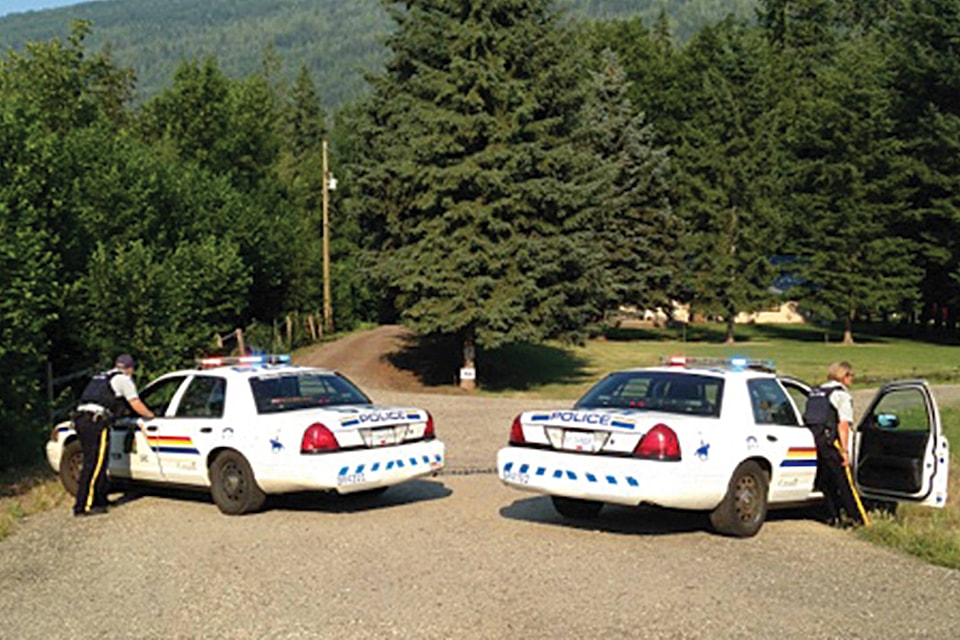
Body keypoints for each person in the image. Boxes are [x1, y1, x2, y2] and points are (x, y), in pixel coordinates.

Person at [73, 354, 155, 517]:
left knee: (100, 463)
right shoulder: (124, 380)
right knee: (94, 464)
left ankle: (100, 500)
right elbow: (135, 403)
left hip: (81, 419)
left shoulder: (101, 377)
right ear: (130, 368)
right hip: (95, 422)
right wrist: (151, 415)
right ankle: (83, 506)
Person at [803, 361, 871, 527]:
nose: (852, 379)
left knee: (825, 481)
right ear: (844, 376)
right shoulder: (841, 395)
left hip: (813, 440)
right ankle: (857, 519)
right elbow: (843, 425)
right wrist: (845, 451)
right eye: (851, 376)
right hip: (831, 441)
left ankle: (832, 516)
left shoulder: (816, 392)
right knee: (844, 482)